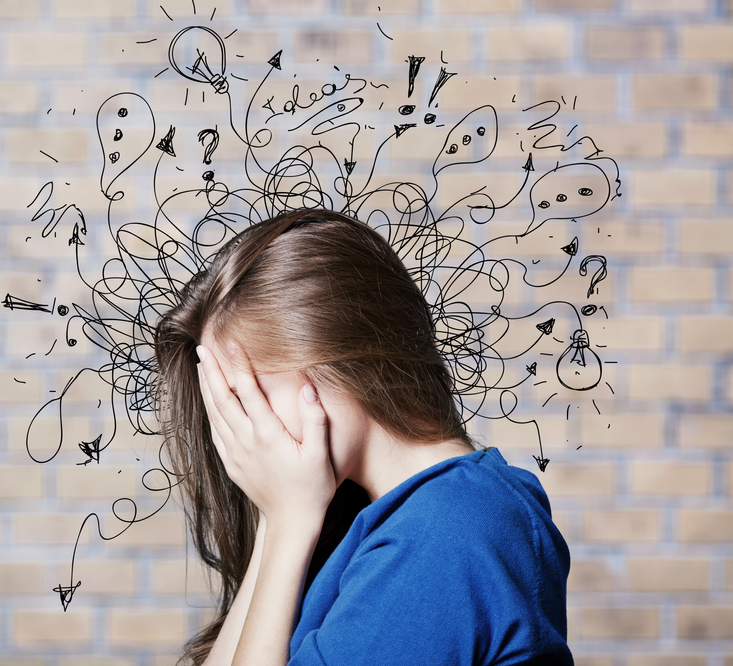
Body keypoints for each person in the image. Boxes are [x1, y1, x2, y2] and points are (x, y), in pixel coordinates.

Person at [153, 209, 572, 666]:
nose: (238, 435)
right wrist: (279, 521)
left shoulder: (444, 535)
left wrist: (289, 521)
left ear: (329, 357)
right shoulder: (406, 519)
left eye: (244, 398)